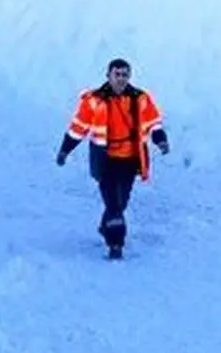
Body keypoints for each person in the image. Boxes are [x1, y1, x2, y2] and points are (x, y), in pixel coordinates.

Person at [55, 58, 170, 258]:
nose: (121, 79)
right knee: (114, 204)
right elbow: (78, 128)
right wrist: (65, 150)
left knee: (121, 201)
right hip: (106, 161)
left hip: (130, 161)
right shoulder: (94, 100)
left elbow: (154, 123)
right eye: (117, 74)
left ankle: (105, 226)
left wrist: (161, 140)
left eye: (125, 74)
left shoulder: (140, 98)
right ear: (108, 75)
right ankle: (116, 244)